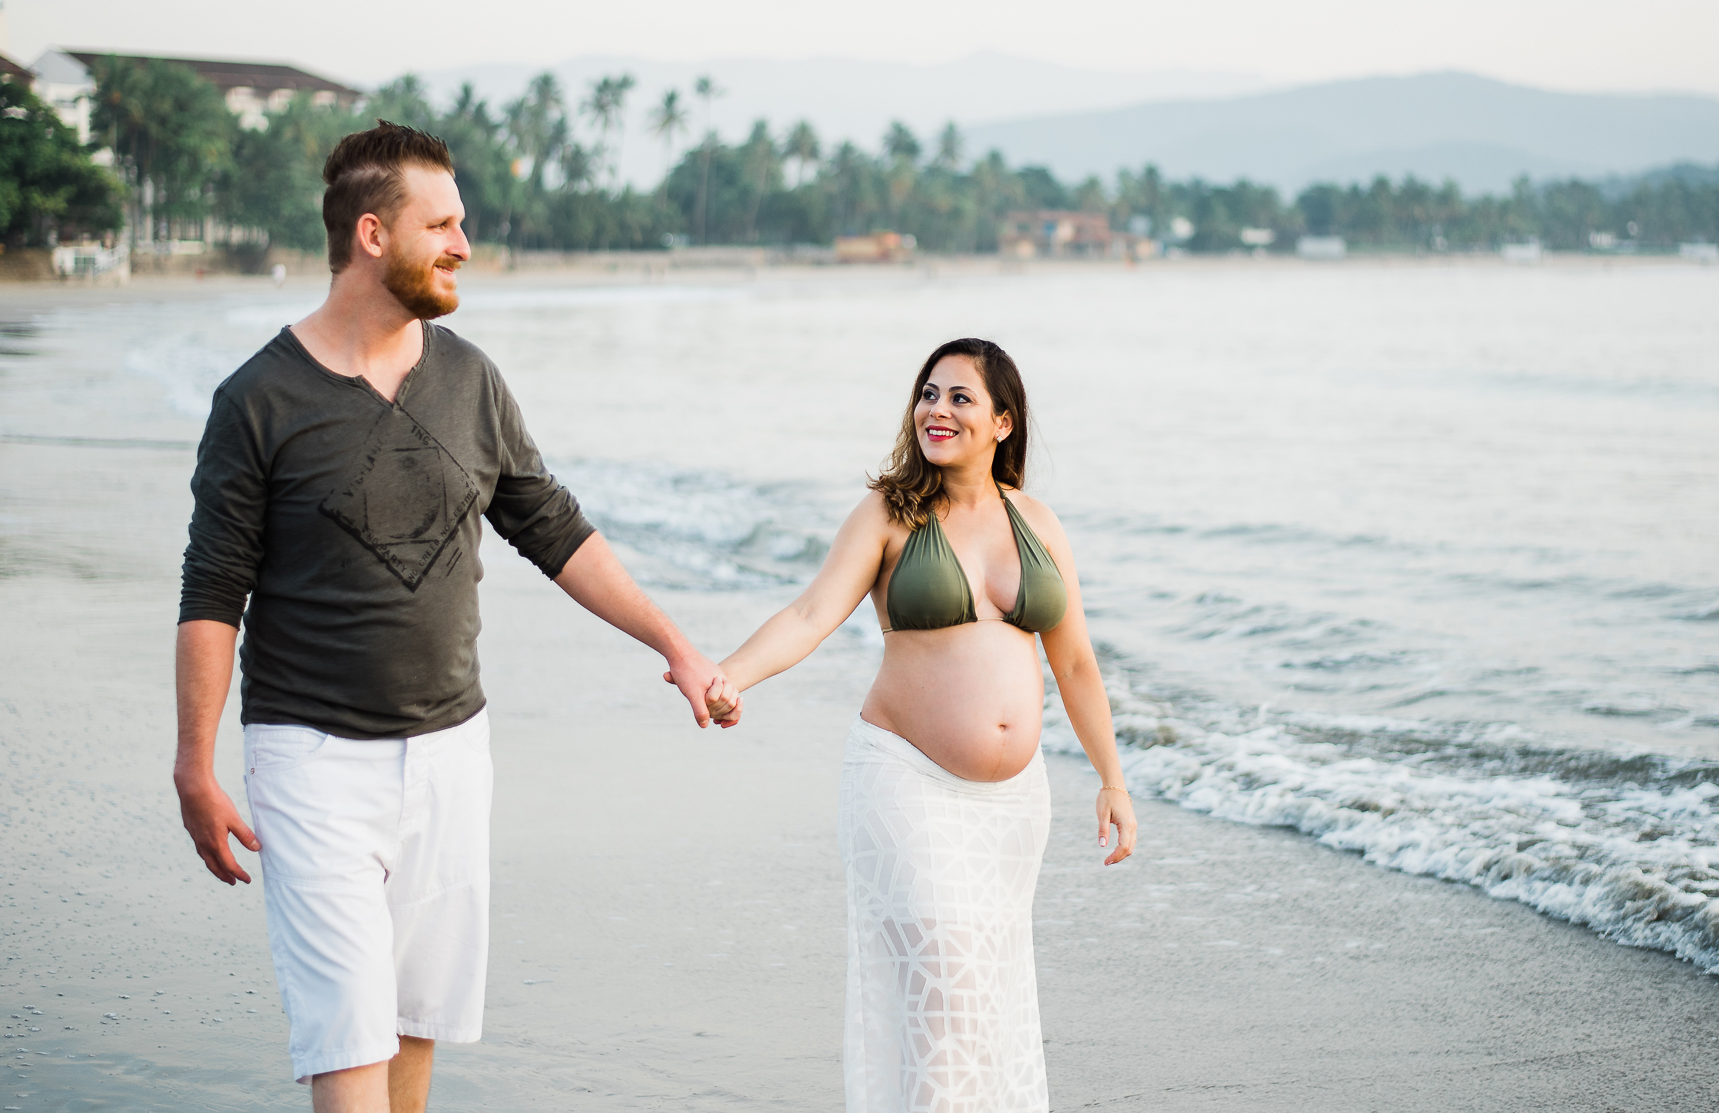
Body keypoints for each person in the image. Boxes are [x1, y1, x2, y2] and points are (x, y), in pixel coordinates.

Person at [171, 120, 737, 1113]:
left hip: (450, 752)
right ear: (373, 234)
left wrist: (677, 646)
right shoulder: (257, 399)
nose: (464, 243)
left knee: (412, 1027)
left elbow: (553, 527)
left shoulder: (469, 376)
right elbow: (214, 589)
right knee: (347, 1036)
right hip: (310, 758)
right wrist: (195, 762)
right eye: (443, 222)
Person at [704, 336, 1135, 1113]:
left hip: (1012, 810)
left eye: (960, 397)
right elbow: (809, 614)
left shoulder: (1038, 522)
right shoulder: (888, 513)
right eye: (928, 393)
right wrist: (730, 673)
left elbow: (1075, 665)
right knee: (947, 975)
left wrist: (1113, 778)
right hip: (905, 783)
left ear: (1003, 421)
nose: (937, 409)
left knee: (984, 997)